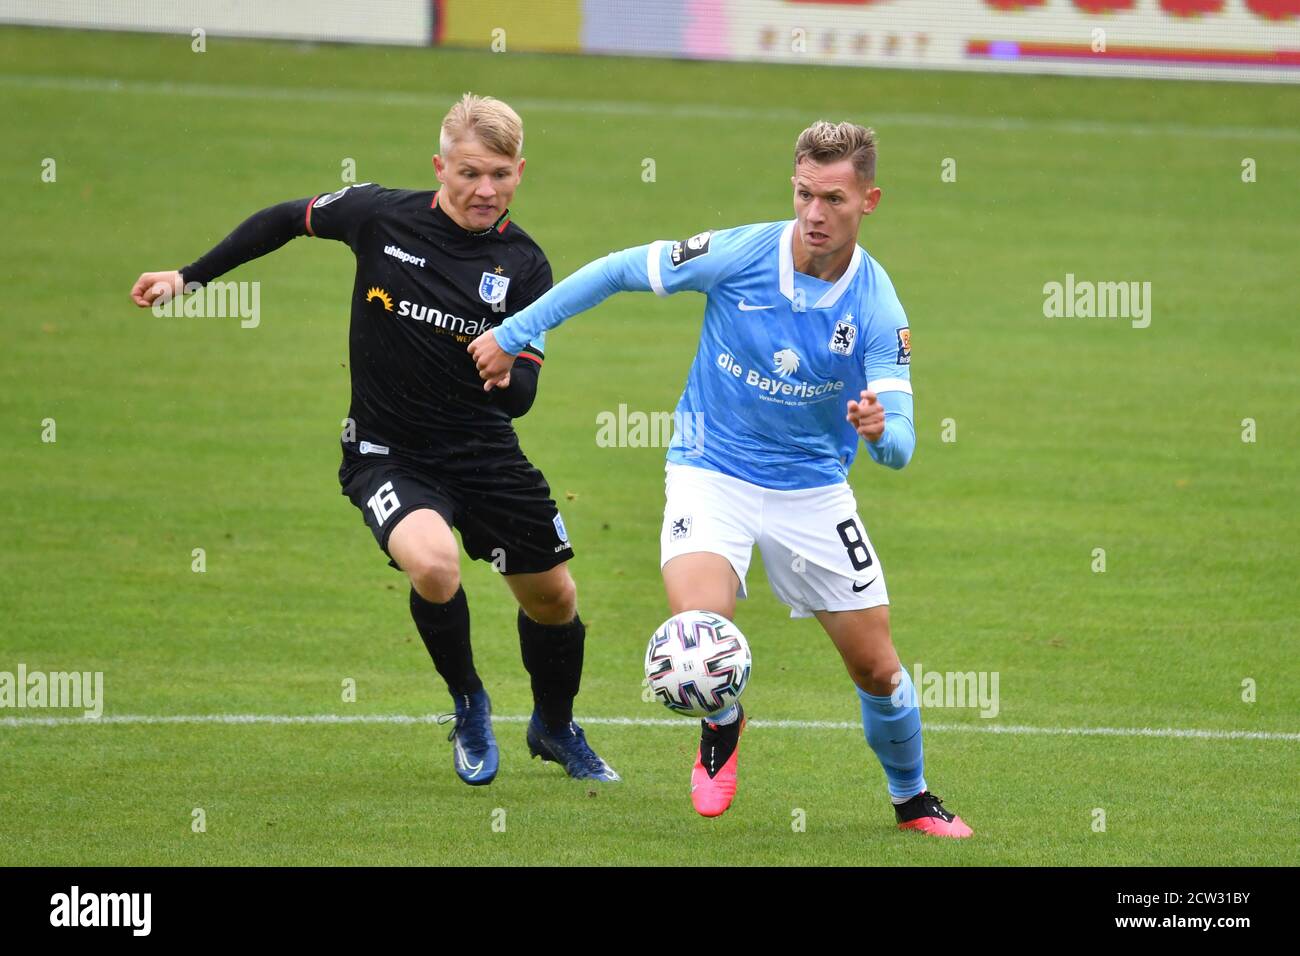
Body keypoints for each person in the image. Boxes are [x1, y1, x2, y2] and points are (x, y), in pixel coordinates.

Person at [469, 120, 971, 835]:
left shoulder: (876, 309)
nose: (814, 214)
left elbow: (903, 447)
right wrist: (515, 332)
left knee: (878, 672)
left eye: (833, 198)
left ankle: (913, 798)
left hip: (812, 489)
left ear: (870, 200)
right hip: (712, 471)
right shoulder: (738, 254)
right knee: (695, 637)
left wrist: (881, 432)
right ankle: (721, 719)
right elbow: (617, 269)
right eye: (803, 194)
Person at [130, 93, 618, 786]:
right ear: (440, 166)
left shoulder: (526, 269)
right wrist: (189, 276)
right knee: (434, 564)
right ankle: (470, 702)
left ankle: (554, 726)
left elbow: (522, 402)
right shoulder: (379, 215)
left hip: (483, 457)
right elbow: (283, 220)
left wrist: (503, 367)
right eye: (470, 172)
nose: (485, 190)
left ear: (520, 171)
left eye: (501, 175)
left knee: (554, 600)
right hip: (387, 452)